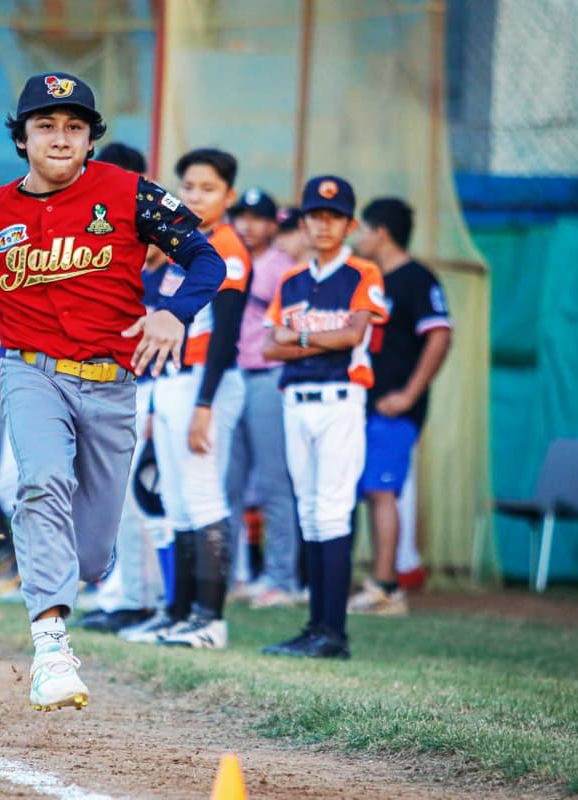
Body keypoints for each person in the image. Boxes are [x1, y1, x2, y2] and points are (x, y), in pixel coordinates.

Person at [0, 71, 225, 712]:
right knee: (41, 483)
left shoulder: (130, 194)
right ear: (22, 138)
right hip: (31, 371)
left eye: (74, 127)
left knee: (89, 555)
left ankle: (75, 574)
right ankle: (51, 650)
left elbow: (208, 259)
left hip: (113, 384)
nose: (61, 138)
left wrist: (174, 311)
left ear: (91, 139)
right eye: (46, 126)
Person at [259, 176, 388, 659]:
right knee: (310, 513)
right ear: (304, 223)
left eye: (334, 217)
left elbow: (352, 337)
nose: (324, 224)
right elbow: (268, 347)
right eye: (315, 216)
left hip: (339, 399)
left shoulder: (363, 273)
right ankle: (315, 628)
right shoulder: (291, 279)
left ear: (350, 225)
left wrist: (300, 338)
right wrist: (315, 341)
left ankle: (334, 633)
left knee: (332, 510)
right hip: (296, 400)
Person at [126, 148, 249, 650]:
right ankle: (178, 614)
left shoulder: (227, 248)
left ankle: (210, 620)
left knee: (203, 498)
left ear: (229, 195)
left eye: (209, 188)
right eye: (189, 187)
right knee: (176, 503)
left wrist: (204, 405)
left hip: (206, 382)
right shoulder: (184, 243)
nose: (196, 197)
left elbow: (226, 336)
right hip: (173, 381)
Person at [73, 141, 169, 634]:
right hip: (112, 385)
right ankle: (123, 594)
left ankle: (143, 599)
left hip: (154, 389)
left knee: (139, 500)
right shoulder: (103, 246)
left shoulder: (168, 256)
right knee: (114, 498)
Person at [349, 197, 452, 615]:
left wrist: (409, 394)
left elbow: (440, 335)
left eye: (362, 229)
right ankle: (360, 581)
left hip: (392, 408)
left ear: (382, 233)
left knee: (381, 490)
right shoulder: (367, 278)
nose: (357, 238)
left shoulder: (417, 279)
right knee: (361, 491)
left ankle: (386, 587)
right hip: (358, 404)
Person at [225, 189, 306, 610]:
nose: (248, 224)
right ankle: (232, 577)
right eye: (241, 215)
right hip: (228, 374)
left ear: (274, 224)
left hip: (268, 375)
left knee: (275, 482)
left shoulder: (284, 266)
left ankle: (281, 578)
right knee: (228, 483)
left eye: (257, 217)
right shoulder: (223, 256)